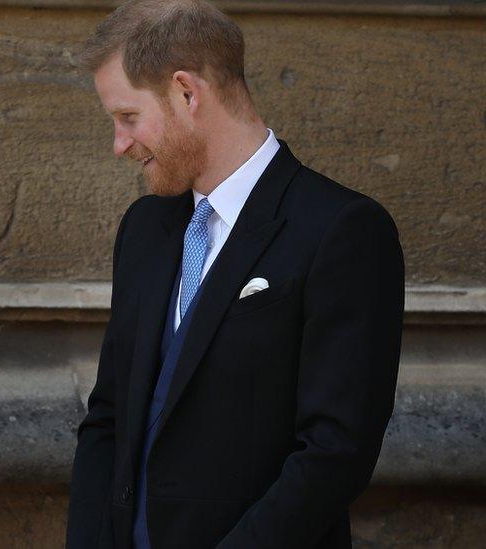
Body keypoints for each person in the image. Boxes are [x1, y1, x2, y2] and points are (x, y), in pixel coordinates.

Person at [66, 1, 405, 547]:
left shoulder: (342, 230)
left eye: (128, 117)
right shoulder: (145, 227)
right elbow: (109, 415)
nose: (119, 144)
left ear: (185, 93)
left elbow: (335, 452)